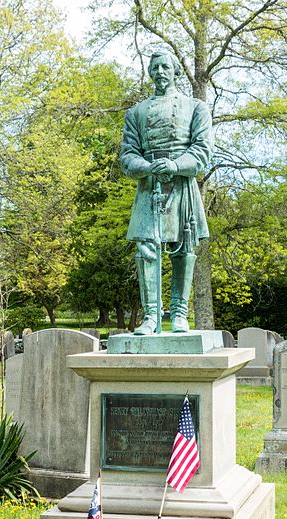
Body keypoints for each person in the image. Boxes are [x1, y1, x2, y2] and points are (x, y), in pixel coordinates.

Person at [121, 50, 213, 335]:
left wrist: (175, 164)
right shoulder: (135, 113)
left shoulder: (195, 107)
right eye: (155, 68)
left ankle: (180, 314)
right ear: (150, 73)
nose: (160, 72)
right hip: (149, 186)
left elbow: (202, 151)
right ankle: (151, 316)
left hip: (182, 185)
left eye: (165, 67)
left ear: (175, 71)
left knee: (185, 248)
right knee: (146, 249)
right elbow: (127, 155)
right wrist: (148, 168)